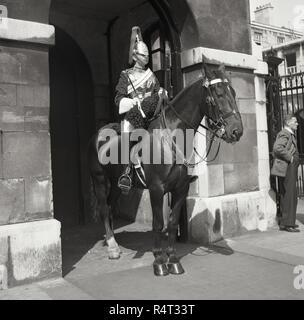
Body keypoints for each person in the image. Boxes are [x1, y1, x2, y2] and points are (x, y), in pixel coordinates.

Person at [114, 26, 166, 193]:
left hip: (151, 115)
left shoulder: (151, 75)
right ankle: (127, 173)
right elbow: (118, 98)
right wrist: (131, 101)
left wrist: (162, 93)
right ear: (136, 56)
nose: (147, 58)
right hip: (133, 116)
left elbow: (157, 90)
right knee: (130, 140)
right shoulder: (126, 75)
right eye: (144, 55)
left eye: (148, 55)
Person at [272, 114, 300, 232]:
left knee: (289, 193)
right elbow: (277, 148)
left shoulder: (289, 134)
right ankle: (288, 224)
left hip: (291, 167)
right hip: (288, 167)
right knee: (289, 193)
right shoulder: (285, 133)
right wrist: (290, 157)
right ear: (288, 123)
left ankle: (287, 222)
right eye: (295, 121)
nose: (297, 123)